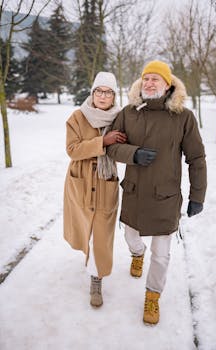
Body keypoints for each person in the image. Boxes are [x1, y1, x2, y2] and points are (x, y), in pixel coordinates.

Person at [107, 61, 207, 325]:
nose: (150, 83)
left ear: (168, 85)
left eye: (156, 79)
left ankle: (153, 295)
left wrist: (198, 195)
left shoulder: (183, 117)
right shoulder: (128, 113)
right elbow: (111, 148)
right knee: (131, 238)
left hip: (165, 196)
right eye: (146, 79)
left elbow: (196, 158)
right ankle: (137, 254)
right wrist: (133, 153)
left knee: (161, 255)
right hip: (134, 193)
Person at [63, 72, 127, 307]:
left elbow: (127, 145)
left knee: (102, 234)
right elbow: (72, 149)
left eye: (108, 92)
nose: (103, 96)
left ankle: (96, 279)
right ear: (92, 93)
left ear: (113, 95)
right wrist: (103, 142)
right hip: (80, 180)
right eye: (99, 91)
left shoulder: (120, 118)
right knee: (85, 230)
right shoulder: (78, 117)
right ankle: (89, 260)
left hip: (105, 180)